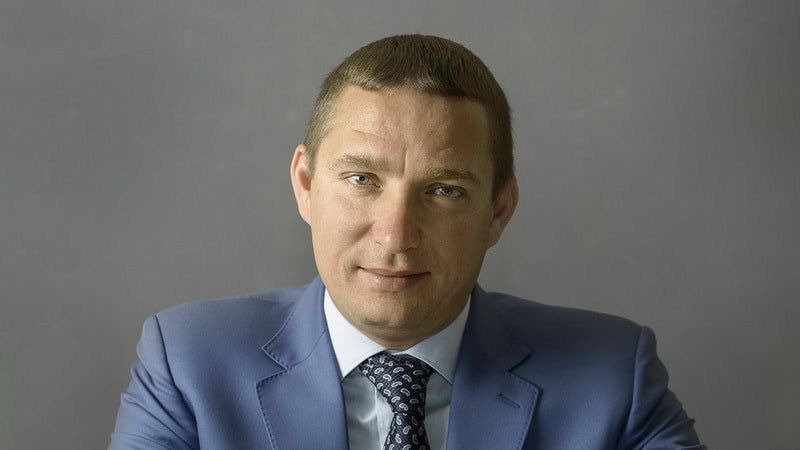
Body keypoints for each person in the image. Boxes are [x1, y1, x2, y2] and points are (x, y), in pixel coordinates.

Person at [109, 34, 705, 450]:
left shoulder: (613, 375)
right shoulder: (188, 363)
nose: (395, 235)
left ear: (497, 212)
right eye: (361, 180)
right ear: (306, 186)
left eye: (444, 190)